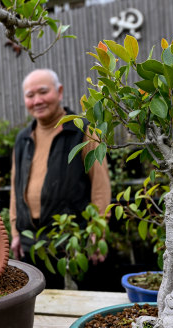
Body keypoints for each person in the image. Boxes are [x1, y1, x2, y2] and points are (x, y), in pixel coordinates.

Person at [9, 69, 111, 289]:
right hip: (32, 243)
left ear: (59, 91)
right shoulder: (22, 138)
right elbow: (16, 188)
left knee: (80, 306)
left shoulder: (83, 131)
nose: (37, 100)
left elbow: (100, 185)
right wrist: (16, 231)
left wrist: (97, 230)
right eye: (30, 95)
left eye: (43, 92)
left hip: (73, 240)